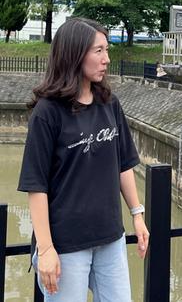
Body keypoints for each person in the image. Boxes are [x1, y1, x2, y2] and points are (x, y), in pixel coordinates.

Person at [17, 18, 149, 301]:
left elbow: (123, 163)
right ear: (75, 54)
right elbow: (35, 185)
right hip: (66, 244)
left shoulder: (109, 103)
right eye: (98, 51)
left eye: (107, 50)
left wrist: (137, 215)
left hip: (110, 237)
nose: (107, 59)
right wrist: (47, 248)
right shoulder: (47, 112)